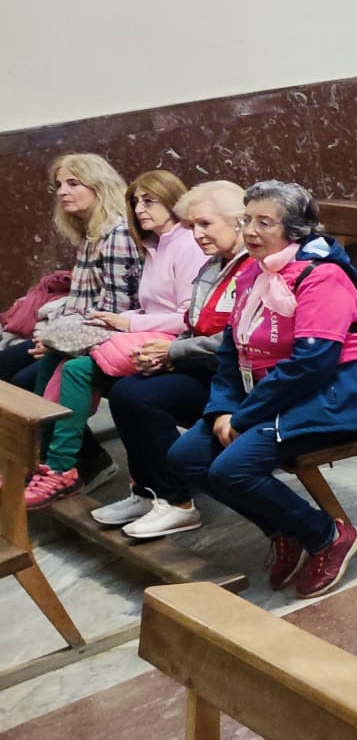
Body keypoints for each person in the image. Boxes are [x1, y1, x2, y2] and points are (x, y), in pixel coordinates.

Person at [168, 182, 357, 598]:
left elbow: (312, 364)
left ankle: (327, 536)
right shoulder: (253, 272)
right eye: (246, 219)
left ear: (295, 229)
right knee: (187, 456)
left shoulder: (322, 276)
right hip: (270, 395)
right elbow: (230, 353)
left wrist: (244, 418)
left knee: (232, 469)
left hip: (336, 396)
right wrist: (222, 411)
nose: (250, 231)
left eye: (264, 222)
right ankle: (285, 529)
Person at [28, 169, 206, 511]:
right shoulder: (154, 245)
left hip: (171, 340)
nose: (140, 209)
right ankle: (38, 460)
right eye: (136, 201)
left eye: (150, 201)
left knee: (79, 369)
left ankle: (61, 467)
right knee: (54, 355)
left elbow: (190, 316)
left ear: (173, 201)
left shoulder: (185, 245)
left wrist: (126, 322)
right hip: (143, 330)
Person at [90, 181, 250, 540]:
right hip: (209, 372)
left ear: (238, 221)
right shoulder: (212, 268)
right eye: (192, 225)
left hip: (241, 383)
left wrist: (173, 353)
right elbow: (193, 325)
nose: (196, 234)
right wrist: (164, 357)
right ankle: (147, 491)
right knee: (126, 386)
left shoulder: (252, 267)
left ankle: (178, 503)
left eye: (205, 224)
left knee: (140, 396)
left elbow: (239, 340)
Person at [0, 155, 142, 405]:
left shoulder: (118, 234)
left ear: (99, 186)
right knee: (6, 364)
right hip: (77, 331)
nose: (62, 192)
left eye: (73, 184)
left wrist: (60, 342)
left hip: (104, 338)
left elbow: (118, 312)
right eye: (59, 185)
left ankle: (67, 444)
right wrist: (51, 334)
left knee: (23, 384)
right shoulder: (91, 234)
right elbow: (79, 302)